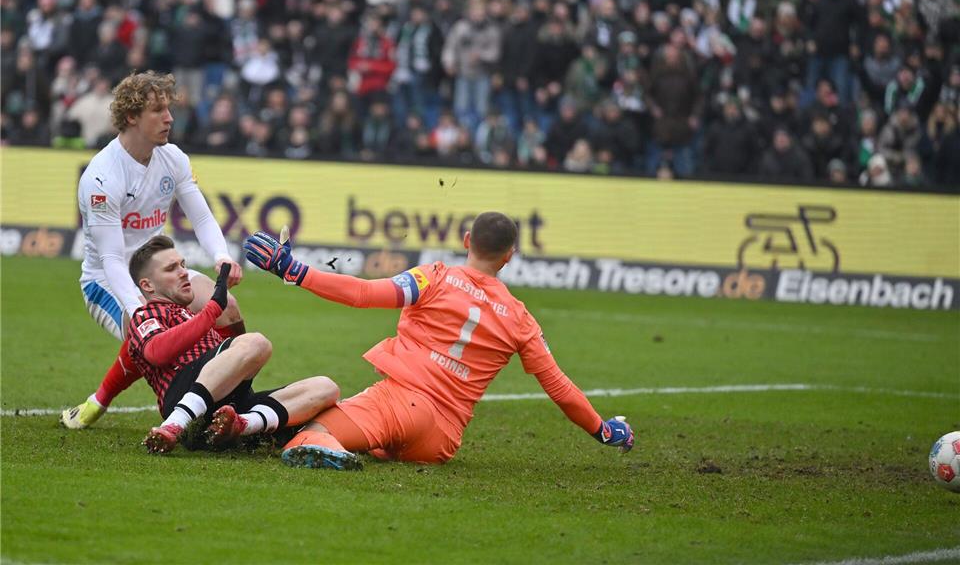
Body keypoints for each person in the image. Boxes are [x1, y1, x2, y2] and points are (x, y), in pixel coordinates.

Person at [243, 212, 634, 470]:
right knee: (382, 446)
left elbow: (362, 294)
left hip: (399, 402)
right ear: (510, 255)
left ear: (467, 240)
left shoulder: (435, 277)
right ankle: (369, 444)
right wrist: (604, 429)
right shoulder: (521, 318)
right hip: (440, 440)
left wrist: (292, 270)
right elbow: (559, 387)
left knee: (310, 433)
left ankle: (328, 447)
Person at [61, 71, 245, 430]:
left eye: (169, 109)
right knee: (146, 332)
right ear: (131, 117)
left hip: (158, 269)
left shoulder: (172, 158)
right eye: (158, 110)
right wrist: (140, 311)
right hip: (107, 281)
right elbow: (113, 259)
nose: (169, 118)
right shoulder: (101, 177)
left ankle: (231, 395)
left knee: (228, 309)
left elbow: (202, 217)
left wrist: (222, 256)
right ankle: (99, 402)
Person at [127, 236, 339, 455]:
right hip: (182, 394)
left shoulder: (192, 316)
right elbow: (157, 352)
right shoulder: (146, 314)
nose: (183, 272)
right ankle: (177, 423)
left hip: (226, 409)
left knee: (326, 388)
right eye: (171, 268)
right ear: (147, 285)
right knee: (257, 342)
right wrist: (212, 309)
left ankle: (242, 426)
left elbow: (238, 351)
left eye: (183, 265)